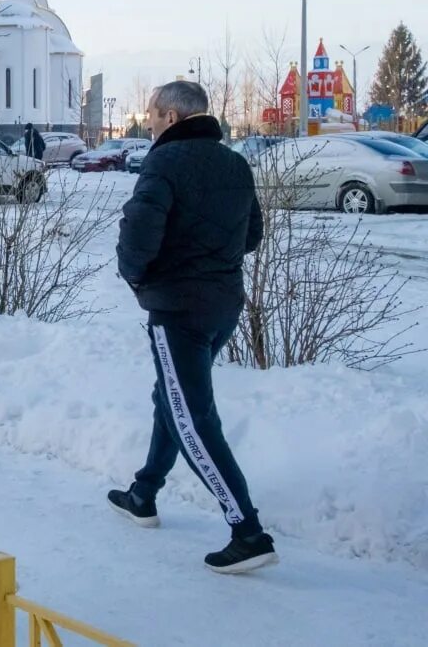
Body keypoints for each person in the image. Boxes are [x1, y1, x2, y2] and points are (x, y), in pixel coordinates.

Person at [110, 80, 276, 574]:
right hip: (223, 303)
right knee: (175, 398)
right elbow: (252, 235)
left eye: (155, 113)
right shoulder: (235, 162)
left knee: (192, 418)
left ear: (173, 117)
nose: (151, 122)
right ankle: (144, 492)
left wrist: (140, 279)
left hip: (178, 309)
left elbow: (138, 234)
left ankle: (247, 531)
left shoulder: (163, 162)